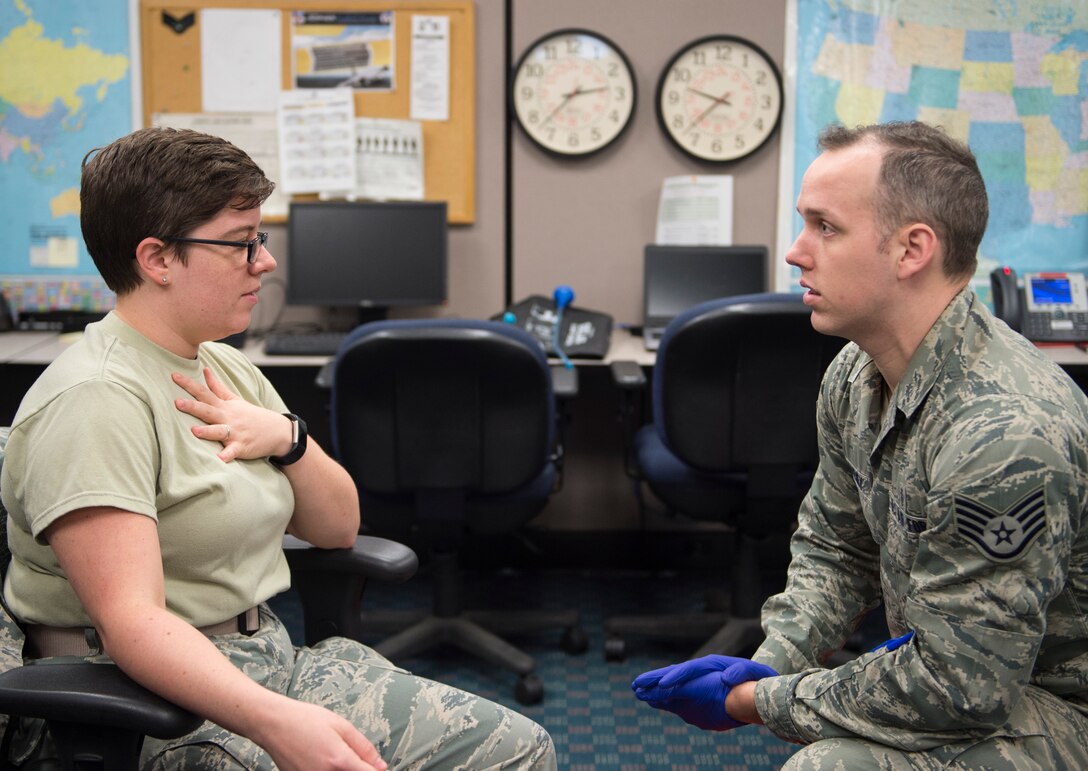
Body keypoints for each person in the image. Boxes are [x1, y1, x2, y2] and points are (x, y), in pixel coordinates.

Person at [0, 126, 556, 771]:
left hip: (268, 660)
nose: (264, 262)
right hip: (143, 702)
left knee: (516, 750)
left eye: (258, 241)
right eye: (241, 245)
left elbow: (339, 526)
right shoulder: (96, 401)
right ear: (156, 259)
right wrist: (278, 723)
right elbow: (131, 624)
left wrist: (289, 440)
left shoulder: (223, 367)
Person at [632, 120, 1088, 768]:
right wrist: (772, 658)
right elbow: (835, 545)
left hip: (1054, 700)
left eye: (826, 226)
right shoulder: (855, 372)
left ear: (911, 250)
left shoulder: (1002, 432)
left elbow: (960, 689)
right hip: (954, 663)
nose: (795, 251)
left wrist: (760, 700)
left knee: (826, 764)